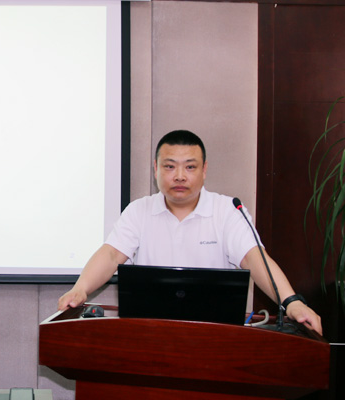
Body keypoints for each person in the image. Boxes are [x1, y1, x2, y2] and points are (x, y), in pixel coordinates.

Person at [58, 130, 323, 334]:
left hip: (215, 335)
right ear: (155, 169)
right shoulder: (139, 210)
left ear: (204, 170)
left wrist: (292, 302)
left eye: (190, 167)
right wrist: (80, 289)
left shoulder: (227, 210)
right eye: (169, 166)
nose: (180, 176)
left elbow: (254, 258)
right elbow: (111, 255)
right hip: (149, 333)